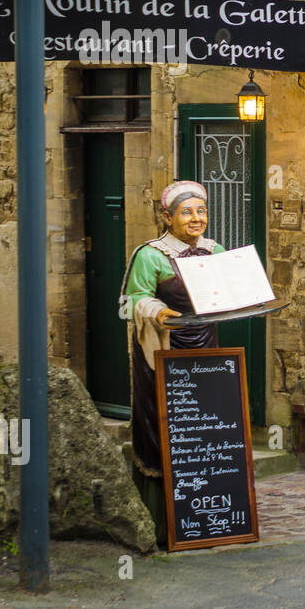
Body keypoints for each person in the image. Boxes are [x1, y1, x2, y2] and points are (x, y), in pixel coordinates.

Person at [120, 180, 225, 546]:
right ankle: (163, 520)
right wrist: (159, 311)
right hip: (164, 349)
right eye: (187, 212)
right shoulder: (151, 255)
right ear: (168, 217)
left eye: (201, 211)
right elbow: (134, 299)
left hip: (206, 346)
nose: (197, 219)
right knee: (166, 422)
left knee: (209, 423)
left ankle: (211, 514)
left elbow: (224, 294)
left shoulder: (215, 251)